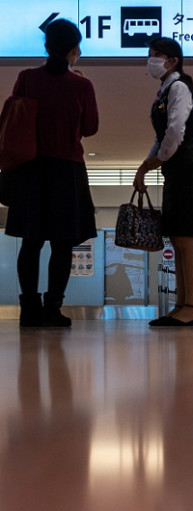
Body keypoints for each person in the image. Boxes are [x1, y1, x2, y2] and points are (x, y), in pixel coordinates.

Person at [5, 19, 98, 328]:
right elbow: (90, 127)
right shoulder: (82, 85)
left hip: (31, 170)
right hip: (66, 172)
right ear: (74, 50)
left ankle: (28, 309)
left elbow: (16, 118)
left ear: (46, 47)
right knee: (62, 244)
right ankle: (53, 308)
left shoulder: (27, 78)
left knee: (31, 242)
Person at [133, 37, 193, 327]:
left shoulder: (179, 87)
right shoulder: (164, 91)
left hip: (189, 168)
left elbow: (175, 130)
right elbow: (161, 138)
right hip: (176, 170)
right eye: (150, 54)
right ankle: (181, 304)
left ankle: (191, 307)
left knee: (188, 239)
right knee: (178, 239)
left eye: (156, 55)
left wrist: (157, 160)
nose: (151, 60)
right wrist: (146, 165)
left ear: (173, 61)